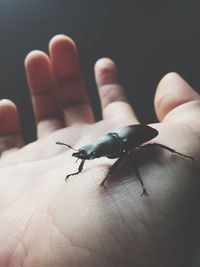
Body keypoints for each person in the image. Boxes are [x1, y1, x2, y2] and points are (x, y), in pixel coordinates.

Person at [0, 34, 199, 267]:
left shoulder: (117, 148)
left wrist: (118, 179)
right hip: (119, 139)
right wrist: (86, 163)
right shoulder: (105, 145)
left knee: (139, 152)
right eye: (89, 153)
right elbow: (99, 152)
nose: (88, 155)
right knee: (119, 157)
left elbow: (124, 159)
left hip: (139, 137)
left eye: (90, 153)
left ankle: (176, 155)